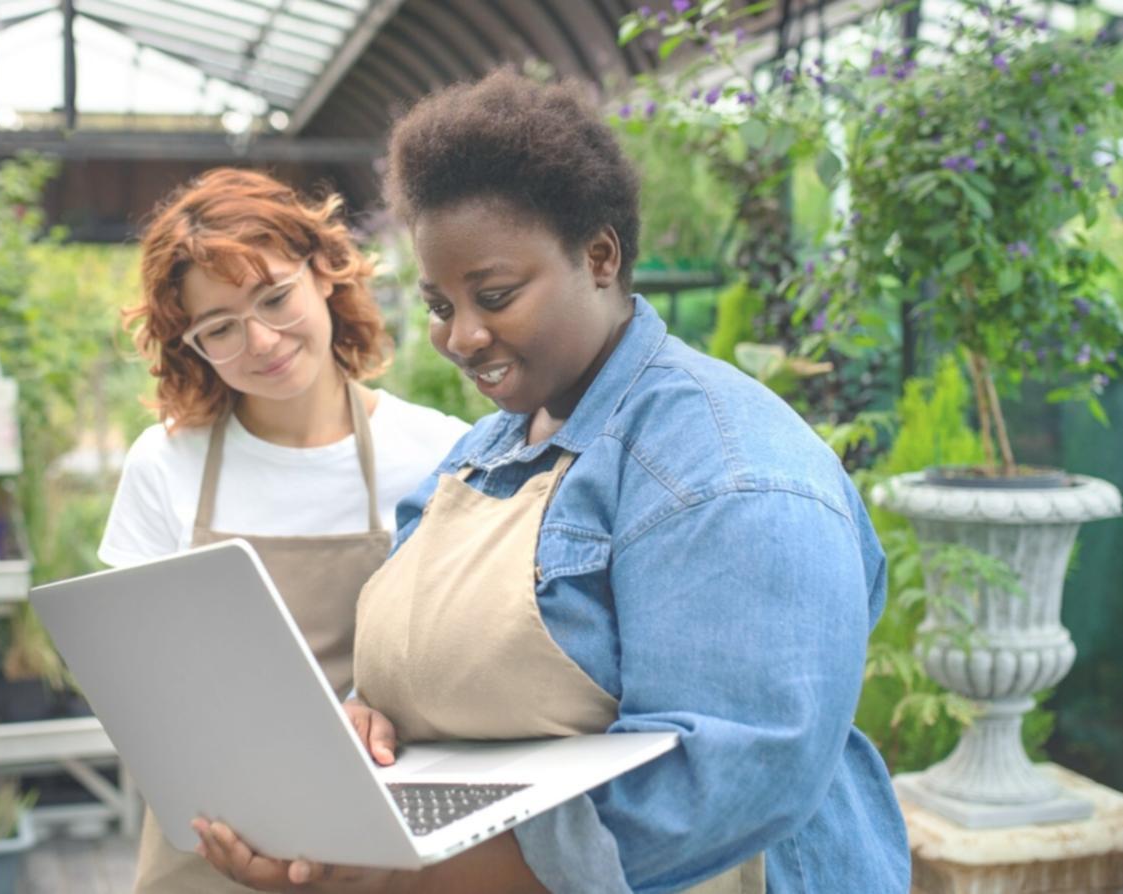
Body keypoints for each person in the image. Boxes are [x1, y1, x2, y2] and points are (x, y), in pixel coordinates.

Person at [193, 72, 911, 893]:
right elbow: (419, 672)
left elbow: (730, 780)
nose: (462, 335)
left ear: (598, 256)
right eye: (437, 304)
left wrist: (393, 873)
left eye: (494, 295)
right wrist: (361, 735)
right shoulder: (481, 455)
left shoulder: (727, 470)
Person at [99, 168, 471, 894]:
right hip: (212, 840)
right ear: (189, 345)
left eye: (274, 298)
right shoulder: (164, 464)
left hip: (380, 831)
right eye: (220, 329)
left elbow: (465, 658)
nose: (262, 340)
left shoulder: (437, 454)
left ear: (325, 271)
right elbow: (136, 681)